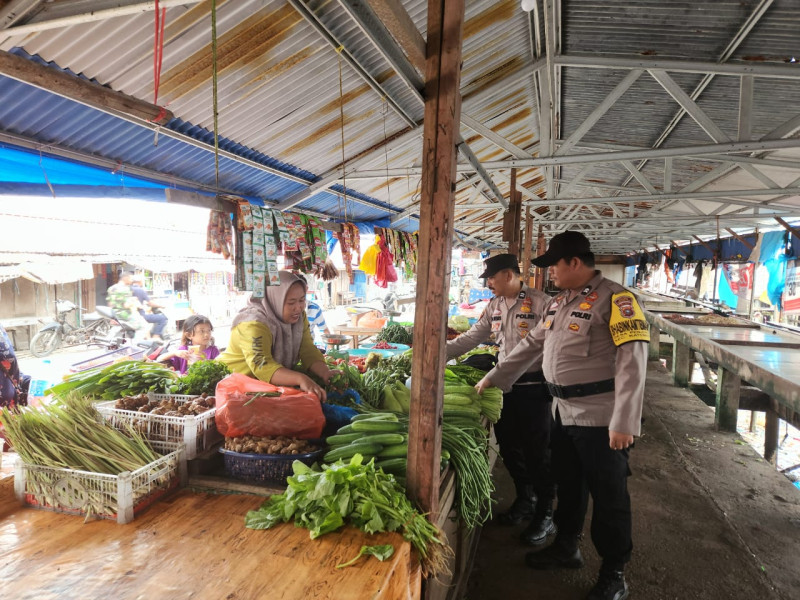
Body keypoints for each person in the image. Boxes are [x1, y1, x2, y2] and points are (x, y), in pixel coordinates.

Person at [476, 231, 649, 600]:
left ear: (574, 263)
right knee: (569, 485)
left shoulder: (618, 300)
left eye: (553, 265)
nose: (549, 272)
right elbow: (531, 344)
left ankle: (614, 573)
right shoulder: (559, 303)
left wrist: (625, 421)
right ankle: (566, 547)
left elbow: (633, 362)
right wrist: (495, 377)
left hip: (602, 418)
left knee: (609, 496)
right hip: (564, 412)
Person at [446, 254, 556, 544]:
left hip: (534, 388)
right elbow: (471, 337)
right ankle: (525, 499)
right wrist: (436, 352)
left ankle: (546, 513)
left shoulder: (542, 303)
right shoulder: (494, 306)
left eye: (491, 278)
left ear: (508, 275)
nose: (488, 284)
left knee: (538, 452)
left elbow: (537, 347)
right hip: (504, 390)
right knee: (510, 448)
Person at [219, 271, 338, 401]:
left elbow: (307, 349)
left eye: (302, 300)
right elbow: (262, 365)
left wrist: (325, 372)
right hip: (233, 388)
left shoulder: (299, 317)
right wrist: (300, 378)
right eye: (291, 302)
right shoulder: (253, 323)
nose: (298, 307)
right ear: (274, 299)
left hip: (265, 390)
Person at [105, 270, 146, 334]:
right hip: (125, 316)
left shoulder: (111, 288)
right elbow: (126, 305)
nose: (131, 280)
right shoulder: (126, 289)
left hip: (115, 315)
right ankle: (137, 343)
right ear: (125, 278)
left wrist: (111, 318)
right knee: (143, 326)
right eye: (130, 278)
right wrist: (134, 301)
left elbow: (110, 304)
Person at [131, 274, 169, 341]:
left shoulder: (128, 289)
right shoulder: (140, 290)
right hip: (141, 316)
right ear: (140, 281)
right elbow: (150, 303)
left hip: (131, 316)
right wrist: (161, 306)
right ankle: (155, 337)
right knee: (163, 318)